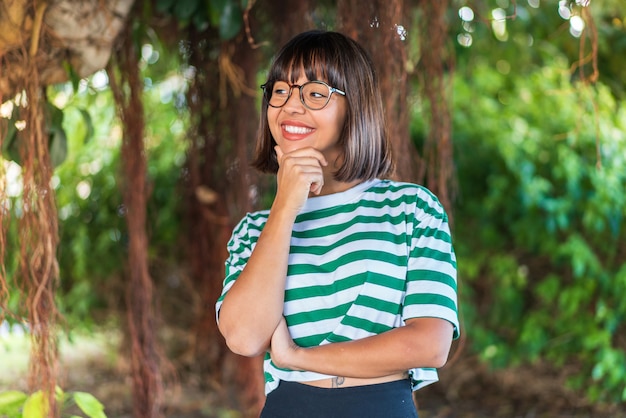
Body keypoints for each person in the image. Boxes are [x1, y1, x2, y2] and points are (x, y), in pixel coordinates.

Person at [216, 30, 459, 418]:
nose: (290, 107)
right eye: (280, 91)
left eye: (315, 93)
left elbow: (430, 344)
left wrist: (298, 356)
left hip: (382, 406)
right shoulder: (253, 230)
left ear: (355, 107)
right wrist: (284, 207)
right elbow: (244, 337)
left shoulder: (412, 208)